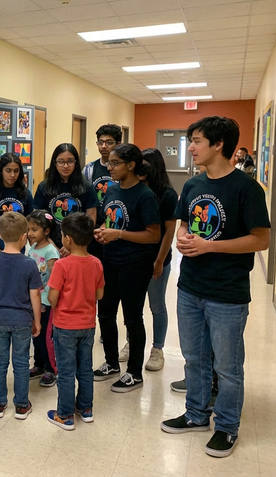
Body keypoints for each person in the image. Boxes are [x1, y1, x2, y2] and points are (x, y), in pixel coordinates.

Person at [160, 116, 270, 458]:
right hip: (190, 287)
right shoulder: (193, 185)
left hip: (227, 293)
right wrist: (183, 238)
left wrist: (210, 246)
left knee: (227, 366)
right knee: (194, 359)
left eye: (196, 141)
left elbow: (261, 239)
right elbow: (184, 224)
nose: (191, 148)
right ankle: (196, 415)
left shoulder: (247, 189)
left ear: (218, 145)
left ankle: (226, 427)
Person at [93, 144, 160, 392]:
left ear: (131, 165)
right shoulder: (112, 190)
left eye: (115, 163)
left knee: (132, 319)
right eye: (109, 163)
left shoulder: (145, 196)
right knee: (105, 314)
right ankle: (111, 363)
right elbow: (109, 220)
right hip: (110, 261)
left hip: (135, 265)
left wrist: (118, 234)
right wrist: (103, 231)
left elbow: (153, 235)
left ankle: (134, 373)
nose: (109, 168)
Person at [117, 148, 177, 371]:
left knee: (157, 305)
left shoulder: (167, 195)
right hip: (133, 257)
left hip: (156, 258)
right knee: (133, 305)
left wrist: (159, 261)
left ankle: (157, 349)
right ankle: (131, 343)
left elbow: (168, 233)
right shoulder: (132, 189)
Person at [46, 213, 104, 430]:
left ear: (68, 239)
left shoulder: (62, 265)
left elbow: (52, 298)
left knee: (66, 372)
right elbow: (99, 295)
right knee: (85, 369)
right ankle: (86, 409)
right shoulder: (96, 263)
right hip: (88, 326)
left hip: (65, 326)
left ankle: (64, 415)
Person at [0, 211, 42, 420]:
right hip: (22, 321)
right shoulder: (29, 264)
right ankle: (22, 406)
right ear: (24, 237)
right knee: (21, 362)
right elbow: (35, 295)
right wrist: (37, 320)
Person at [25, 210, 61, 387]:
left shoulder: (51, 252)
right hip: (34, 300)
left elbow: (54, 279)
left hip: (46, 301)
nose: (30, 233)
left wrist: (49, 300)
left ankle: (51, 369)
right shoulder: (32, 248)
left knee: (47, 337)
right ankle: (39, 364)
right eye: (28, 229)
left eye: (34, 229)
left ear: (46, 231)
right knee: (36, 334)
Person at [34, 142, 98, 231]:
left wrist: (83, 237)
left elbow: (91, 216)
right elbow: (37, 217)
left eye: (70, 161)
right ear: (55, 163)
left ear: (76, 162)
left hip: (78, 237)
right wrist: (46, 238)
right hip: (50, 237)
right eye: (61, 162)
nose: (65, 166)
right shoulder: (44, 186)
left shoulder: (87, 187)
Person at [83, 124, 122, 260]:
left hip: (117, 224)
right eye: (100, 142)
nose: (104, 146)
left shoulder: (124, 169)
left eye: (109, 142)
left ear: (118, 144)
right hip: (95, 227)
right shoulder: (90, 169)